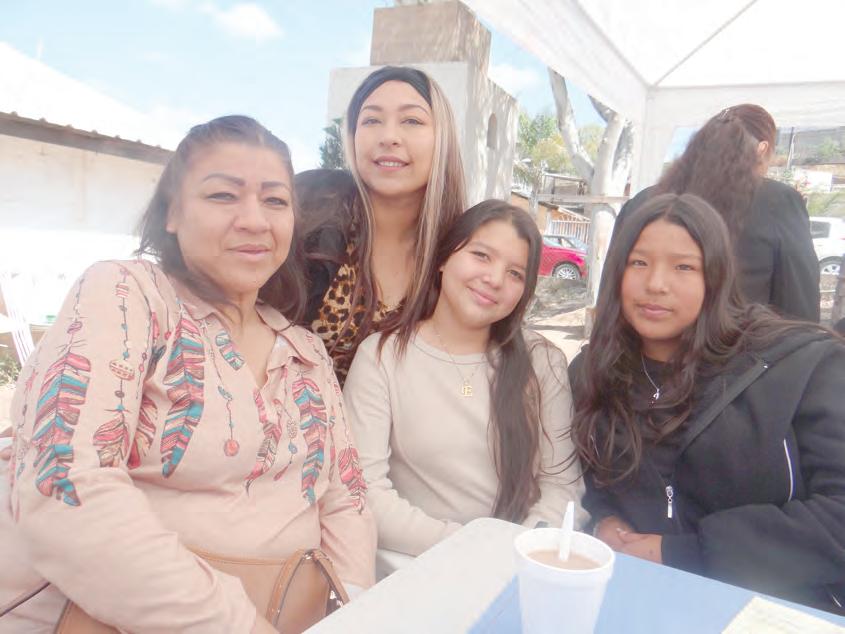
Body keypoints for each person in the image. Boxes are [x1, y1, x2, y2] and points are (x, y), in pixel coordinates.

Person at [0, 116, 376, 633]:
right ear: (172, 212)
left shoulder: (305, 349)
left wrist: (354, 614)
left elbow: (346, 498)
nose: (254, 220)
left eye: (275, 200)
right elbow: (65, 482)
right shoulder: (127, 295)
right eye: (223, 196)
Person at [570, 193, 845, 613]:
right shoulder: (593, 372)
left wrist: (684, 552)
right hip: (632, 598)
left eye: (683, 266)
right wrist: (602, 518)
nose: (655, 283)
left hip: (771, 608)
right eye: (638, 262)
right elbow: (579, 477)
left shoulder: (799, 365)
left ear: (716, 276)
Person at [344, 200, 587, 566]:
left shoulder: (543, 362)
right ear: (444, 258)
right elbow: (366, 493)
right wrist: (474, 547)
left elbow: (562, 487)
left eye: (515, 273)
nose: (494, 279)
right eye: (481, 256)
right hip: (413, 569)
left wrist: (523, 550)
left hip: (518, 569)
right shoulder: (381, 357)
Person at [298, 65, 466, 385]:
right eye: (371, 120)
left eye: (412, 121)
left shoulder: (460, 251)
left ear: (442, 138)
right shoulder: (312, 208)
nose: (389, 137)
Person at [613, 104, 820, 322]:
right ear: (762, 149)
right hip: (741, 340)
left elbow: (612, 291)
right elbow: (799, 298)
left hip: (644, 340)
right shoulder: (778, 201)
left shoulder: (642, 201)